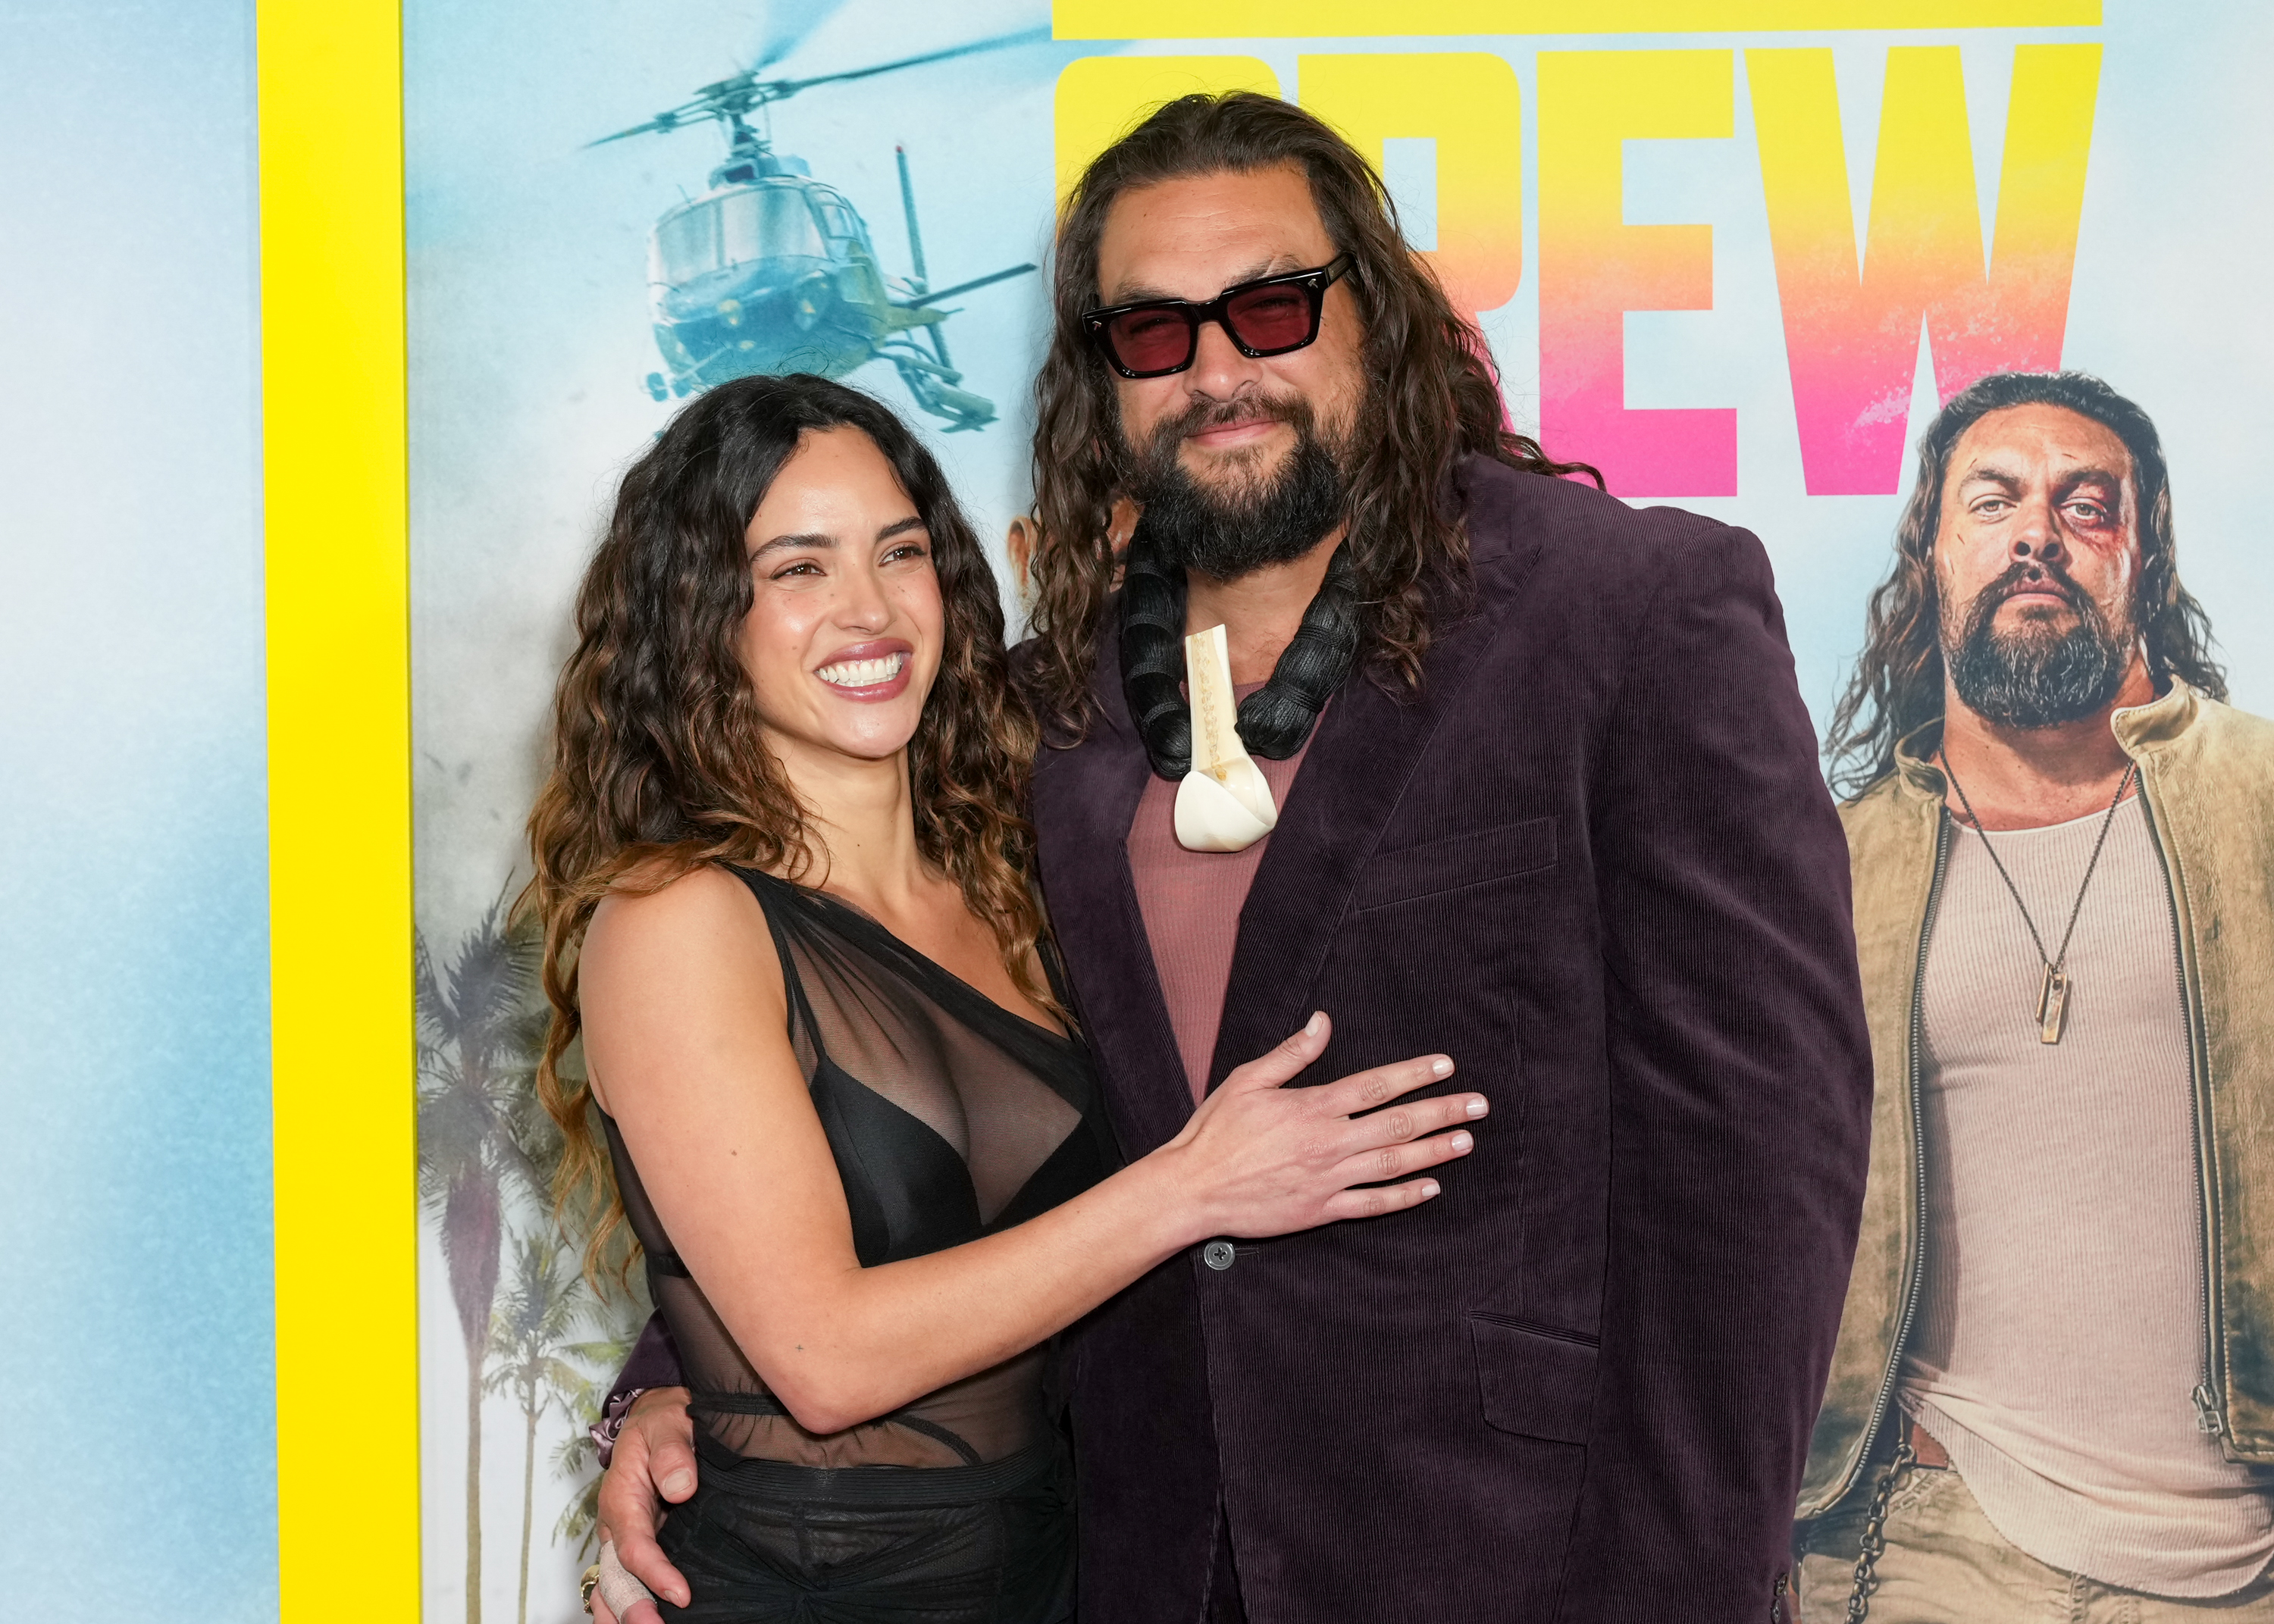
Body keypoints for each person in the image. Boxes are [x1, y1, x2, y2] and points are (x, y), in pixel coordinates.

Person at [597, 92, 1874, 1622]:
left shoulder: (1629, 615)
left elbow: (1756, 1189)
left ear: (1375, 322)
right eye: (1155, 334)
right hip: (1139, 1560)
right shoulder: (1041, 713)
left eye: (1270, 307)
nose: (1218, 371)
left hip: (1504, 1564)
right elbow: (896, 1093)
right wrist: (684, 1381)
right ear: (1102, 384)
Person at [528, 371, 1486, 1623]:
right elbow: (821, 1361)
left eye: (899, 551)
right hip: (812, 1589)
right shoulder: (676, 921)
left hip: (1057, 1567)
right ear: (701, 616)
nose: (867, 610)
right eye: (798, 569)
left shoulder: (1010, 871)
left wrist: (663, 1394)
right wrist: (1196, 1183)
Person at [1794, 371, 2274, 1620]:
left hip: (2245, 1551)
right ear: (1933, 556)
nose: (2036, 536)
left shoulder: (2264, 805)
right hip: (1939, 1538)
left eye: (2085, 505)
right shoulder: (1832, 868)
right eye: (1993, 501)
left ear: (2144, 560)